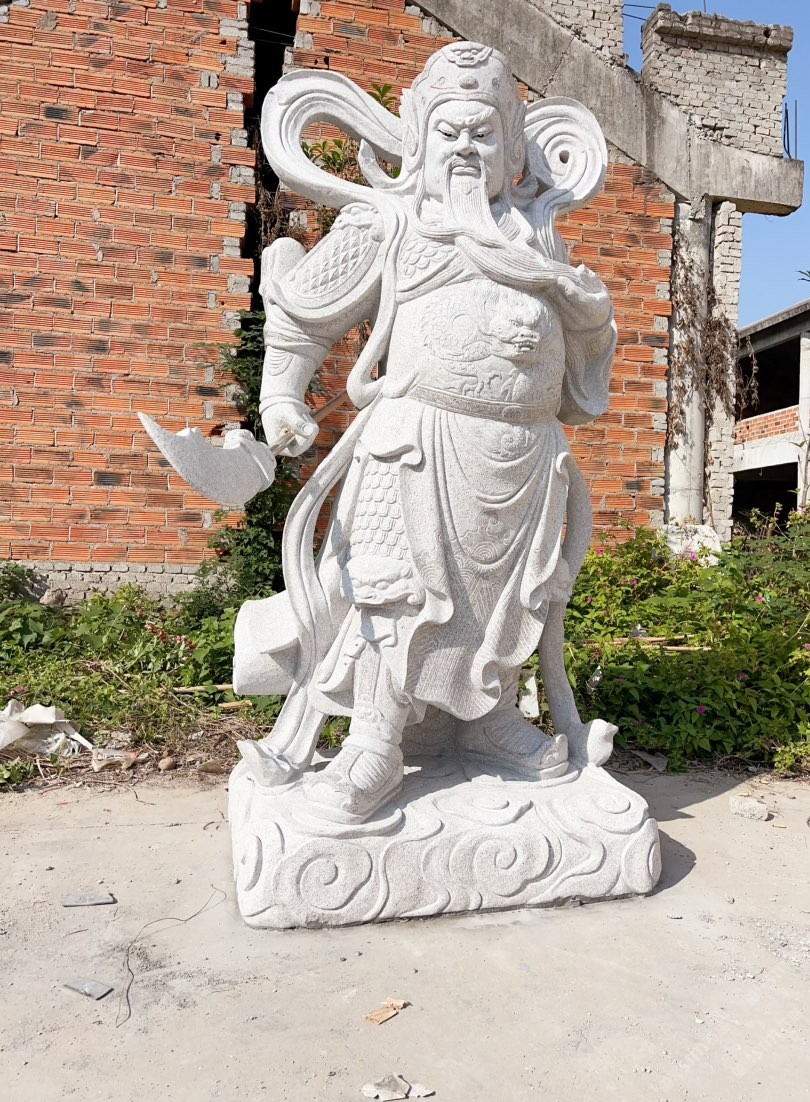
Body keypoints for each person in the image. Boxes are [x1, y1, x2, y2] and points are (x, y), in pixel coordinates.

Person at [236, 43, 618, 823]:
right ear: (419, 139)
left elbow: (580, 350)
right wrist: (280, 398)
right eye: (450, 132)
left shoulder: (535, 238)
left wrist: (574, 318)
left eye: (485, 133)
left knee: (512, 597)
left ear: (514, 150)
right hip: (415, 445)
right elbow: (304, 316)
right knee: (392, 591)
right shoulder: (390, 221)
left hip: (523, 455)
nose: (467, 148)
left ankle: (490, 719)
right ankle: (374, 743)